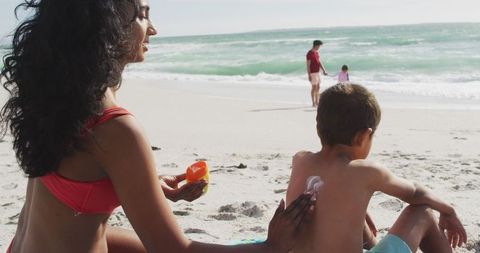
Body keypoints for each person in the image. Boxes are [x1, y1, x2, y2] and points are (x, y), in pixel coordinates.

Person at [0, 0, 314, 252]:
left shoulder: (61, 94)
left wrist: (150, 185)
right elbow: (174, 248)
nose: (153, 29)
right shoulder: (117, 128)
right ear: (105, 26)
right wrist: (269, 246)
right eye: (142, 15)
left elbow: (77, 182)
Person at [285, 83, 467, 253]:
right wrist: (448, 210)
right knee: (423, 213)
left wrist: (360, 210)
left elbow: (330, 195)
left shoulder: (300, 160)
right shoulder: (366, 172)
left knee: (355, 216)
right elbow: (415, 193)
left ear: (318, 129)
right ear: (364, 136)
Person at [306, 40, 328, 107]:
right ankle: (313, 103)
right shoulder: (309, 53)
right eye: (319, 46)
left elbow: (319, 62)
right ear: (316, 45)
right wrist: (309, 75)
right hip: (313, 73)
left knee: (318, 87)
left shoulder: (316, 53)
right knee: (314, 87)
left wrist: (324, 70)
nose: (319, 47)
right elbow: (308, 65)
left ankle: (317, 101)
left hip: (318, 72)